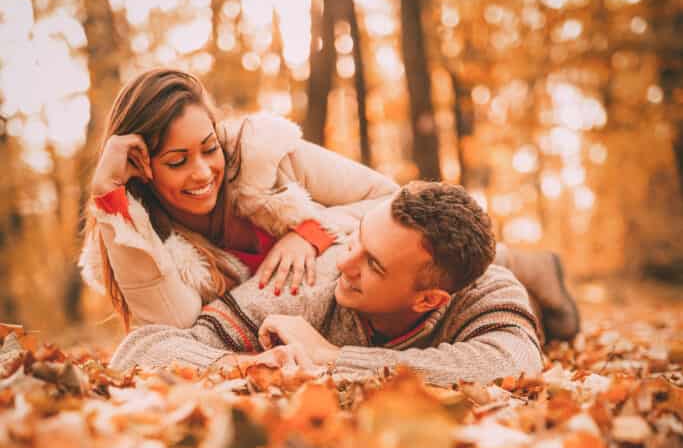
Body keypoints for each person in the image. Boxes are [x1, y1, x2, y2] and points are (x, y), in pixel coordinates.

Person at [81, 68, 579, 385]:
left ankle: (527, 266)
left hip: (347, 252)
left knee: (460, 258)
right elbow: (158, 338)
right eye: (177, 160)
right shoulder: (303, 287)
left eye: (209, 148)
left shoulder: (270, 158)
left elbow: (385, 198)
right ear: (145, 167)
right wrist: (242, 364)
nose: (202, 171)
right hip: (290, 283)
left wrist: (312, 237)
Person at [110, 180, 548, 387]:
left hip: (505, 288)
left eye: (372, 264)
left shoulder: (488, 288)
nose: (345, 262)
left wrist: (332, 357)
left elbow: (515, 362)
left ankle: (547, 276)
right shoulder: (303, 280)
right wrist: (251, 364)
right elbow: (141, 348)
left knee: (548, 307)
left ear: (429, 299)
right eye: (358, 236)